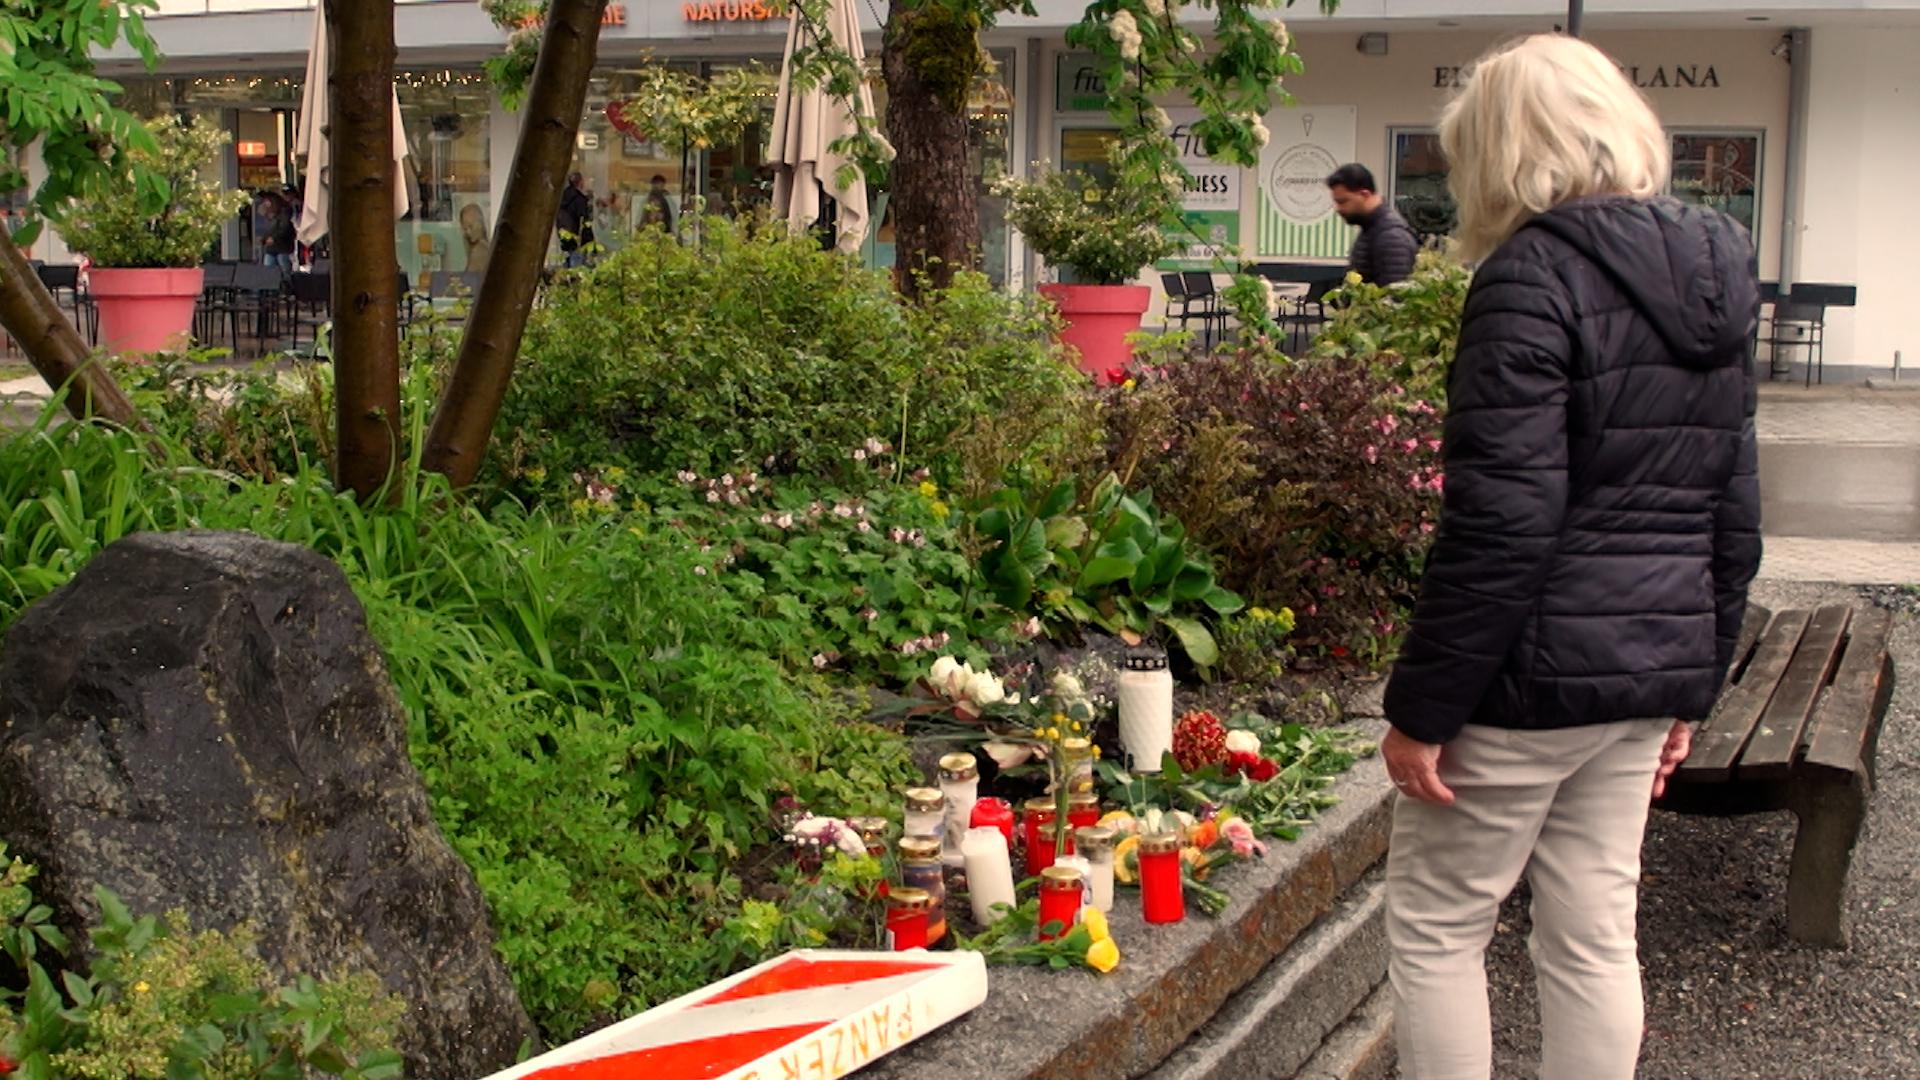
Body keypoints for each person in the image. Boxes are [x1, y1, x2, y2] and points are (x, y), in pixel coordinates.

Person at [1380, 34, 1760, 1080]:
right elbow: (1735, 512)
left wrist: (1423, 709)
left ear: (1500, 154)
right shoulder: (1720, 275)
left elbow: (1502, 522)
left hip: (1526, 684)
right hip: (1642, 679)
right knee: (1594, 933)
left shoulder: (1529, 277)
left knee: (1438, 927)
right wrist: (1693, 689)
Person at [1326, 163, 1418, 286]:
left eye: (1343, 201)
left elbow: (1395, 297)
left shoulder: (1391, 237)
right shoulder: (1372, 229)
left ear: (1365, 195)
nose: (1338, 209)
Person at [556, 172, 594, 267]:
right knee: (577, 264)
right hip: (577, 238)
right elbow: (584, 221)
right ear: (580, 182)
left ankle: (565, 276)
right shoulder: (579, 200)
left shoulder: (563, 198)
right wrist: (589, 239)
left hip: (564, 235)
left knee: (569, 259)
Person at [260, 194, 296, 272]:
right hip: (271, 249)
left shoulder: (283, 213)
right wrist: (264, 239)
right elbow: (268, 231)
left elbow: (284, 228)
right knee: (268, 271)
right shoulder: (269, 217)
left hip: (282, 248)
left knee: (284, 271)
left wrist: (274, 238)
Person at [459, 202, 493, 274]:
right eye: (465, 229)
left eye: (470, 226)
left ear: (480, 224)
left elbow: (467, 279)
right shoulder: (481, 246)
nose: (468, 232)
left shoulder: (479, 250)